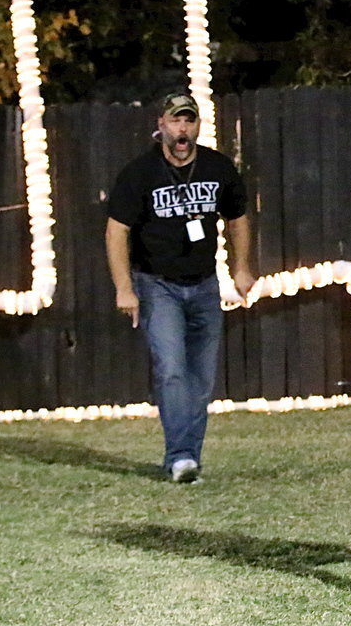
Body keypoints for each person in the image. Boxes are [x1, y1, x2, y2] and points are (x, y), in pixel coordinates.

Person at [105, 92, 255, 483]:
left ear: (198, 126)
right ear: (162, 125)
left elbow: (237, 218)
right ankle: (180, 456)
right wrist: (124, 287)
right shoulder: (140, 173)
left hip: (204, 284)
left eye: (189, 121)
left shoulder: (217, 168)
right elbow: (116, 231)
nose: (182, 129)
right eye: (175, 121)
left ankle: (190, 456)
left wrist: (240, 267)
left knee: (201, 378)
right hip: (157, 285)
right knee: (172, 369)